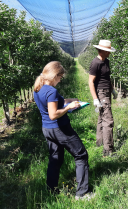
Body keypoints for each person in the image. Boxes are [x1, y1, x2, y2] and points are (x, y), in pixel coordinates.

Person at [33, 61, 90, 198]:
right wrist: (68, 108)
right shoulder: (52, 91)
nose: (60, 80)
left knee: (55, 159)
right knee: (81, 155)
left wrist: (68, 100)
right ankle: (82, 194)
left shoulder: (38, 88)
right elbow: (53, 115)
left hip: (47, 129)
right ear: (55, 75)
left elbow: (51, 104)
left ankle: (51, 189)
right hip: (60, 129)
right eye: (60, 77)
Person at [88, 40, 118, 157]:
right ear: (102, 51)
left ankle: (100, 142)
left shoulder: (106, 61)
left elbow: (107, 77)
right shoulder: (95, 63)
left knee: (102, 117)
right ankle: (108, 150)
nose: (110, 53)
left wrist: (113, 89)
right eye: (108, 51)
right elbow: (91, 82)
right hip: (101, 93)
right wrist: (95, 98)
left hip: (107, 92)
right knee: (108, 120)